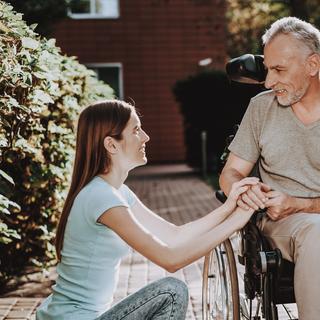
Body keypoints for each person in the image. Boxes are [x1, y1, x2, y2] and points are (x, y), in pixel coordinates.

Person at [36, 99, 257, 320]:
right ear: (111, 145)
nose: (145, 137)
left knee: (170, 291)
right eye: (136, 131)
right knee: (171, 292)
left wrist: (230, 208)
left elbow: (174, 235)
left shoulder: (116, 192)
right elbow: (171, 259)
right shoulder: (101, 196)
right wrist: (236, 222)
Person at [219, 16, 320, 320]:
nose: (268, 81)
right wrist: (245, 190)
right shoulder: (262, 107)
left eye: (279, 70)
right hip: (283, 227)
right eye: (267, 69)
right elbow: (231, 173)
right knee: (316, 233)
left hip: (307, 213)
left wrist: (302, 204)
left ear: (312, 65)